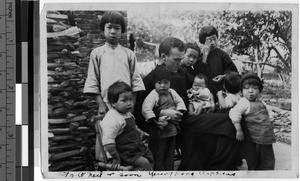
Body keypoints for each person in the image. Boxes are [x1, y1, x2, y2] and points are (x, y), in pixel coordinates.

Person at [135, 37, 240, 170]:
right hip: (174, 124)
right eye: (176, 60)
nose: (180, 63)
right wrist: (161, 112)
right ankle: (217, 167)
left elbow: (203, 84)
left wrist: (214, 99)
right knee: (228, 122)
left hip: (191, 115)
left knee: (231, 115)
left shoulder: (181, 72)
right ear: (163, 56)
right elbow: (138, 111)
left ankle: (219, 167)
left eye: (181, 59)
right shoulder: (152, 79)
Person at [84, 11, 145, 117]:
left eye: (117, 28)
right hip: (106, 106)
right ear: (103, 30)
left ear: (122, 32)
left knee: (126, 131)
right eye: (109, 27)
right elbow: (92, 81)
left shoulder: (129, 54)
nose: (113, 31)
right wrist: (101, 104)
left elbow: (136, 82)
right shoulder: (97, 53)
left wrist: (131, 106)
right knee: (107, 131)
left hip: (126, 106)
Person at [98, 81, 154, 171]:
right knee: (144, 163)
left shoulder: (127, 113)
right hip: (122, 153)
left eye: (130, 99)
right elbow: (108, 144)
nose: (129, 103)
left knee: (149, 155)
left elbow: (132, 128)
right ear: (113, 103)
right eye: (124, 100)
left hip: (133, 149)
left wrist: (140, 132)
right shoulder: (112, 119)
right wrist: (116, 158)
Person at [141, 67, 187, 170]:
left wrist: (179, 111)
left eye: (166, 82)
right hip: (159, 129)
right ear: (154, 84)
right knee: (159, 153)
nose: (163, 85)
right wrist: (154, 120)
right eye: (159, 83)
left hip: (172, 128)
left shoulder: (172, 92)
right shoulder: (153, 95)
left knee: (170, 152)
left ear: (170, 83)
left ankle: (169, 171)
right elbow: (146, 108)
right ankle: (159, 173)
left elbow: (180, 102)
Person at [229, 73, 275, 170]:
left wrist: (271, 120)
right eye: (246, 88)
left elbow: (269, 112)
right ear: (241, 90)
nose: (250, 91)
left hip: (266, 137)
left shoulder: (261, 102)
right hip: (254, 138)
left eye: (254, 88)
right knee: (254, 159)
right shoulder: (243, 102)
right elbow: (234, 113)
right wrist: (239, 130)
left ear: (259, 90)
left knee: (268, 159)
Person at [195, 25, 238, 101]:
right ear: (203, 41)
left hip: (221, 93)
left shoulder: (222, 55)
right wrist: (206, 55)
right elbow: (199, 73)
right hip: (204, 94)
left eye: (214, 39)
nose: (213, 42)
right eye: (209, 40)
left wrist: (223, 76)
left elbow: (234, 72)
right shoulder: (199, 56)